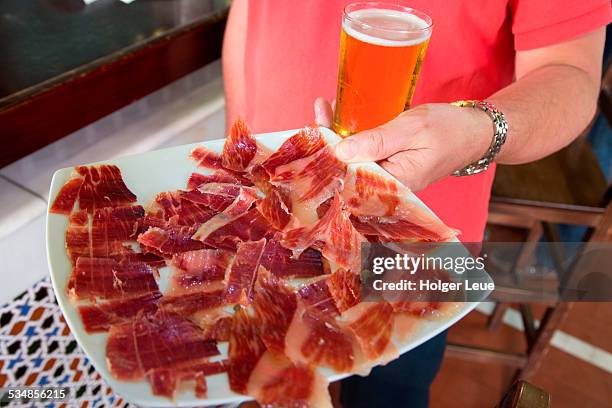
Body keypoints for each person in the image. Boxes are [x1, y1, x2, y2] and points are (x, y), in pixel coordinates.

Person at [222, 1, 611, 407]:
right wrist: (237, 151)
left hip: (418, 229)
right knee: (254, 376)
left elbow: (571, 73)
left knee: (390, 394)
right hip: (265, 199)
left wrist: (480, 131)